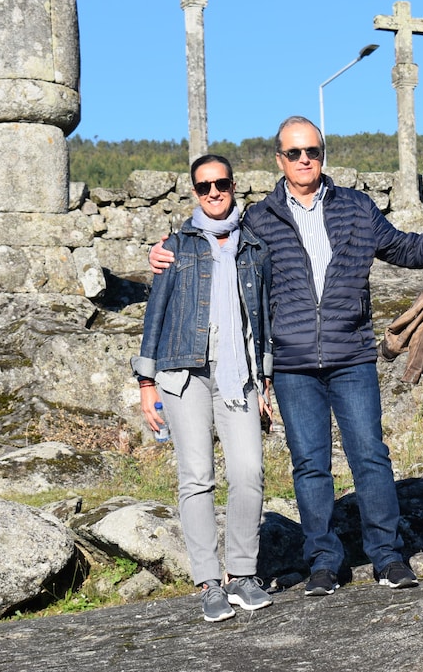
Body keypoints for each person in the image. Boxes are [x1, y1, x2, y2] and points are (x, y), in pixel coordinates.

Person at [151, 116, 423, 596]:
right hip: (293, 364)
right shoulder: (259, 218)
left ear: (322, 153)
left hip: (351, 354)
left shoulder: (356, 207)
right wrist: (164, 252)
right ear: (280, 159)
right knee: (310, 464)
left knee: (370, 456)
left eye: (312, 150)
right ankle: (323, 562)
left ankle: (388, 557)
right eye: (293, 153)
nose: (304, 160)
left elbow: (407, 248)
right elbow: (215, 252)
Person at [132, 154, 274, 623]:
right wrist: (146, 382)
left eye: (221, 184)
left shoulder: (254, 248)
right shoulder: (176, 246)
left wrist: (265, 381)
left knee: (249, 472)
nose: (213, 192)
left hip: (239, 376)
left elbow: (262, 320)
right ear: (194, 192)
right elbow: (155, 314)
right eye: (204, 186)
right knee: (196, 476)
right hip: (182, 372)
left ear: (234, 186)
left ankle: (242, 574)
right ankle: (209, 582)